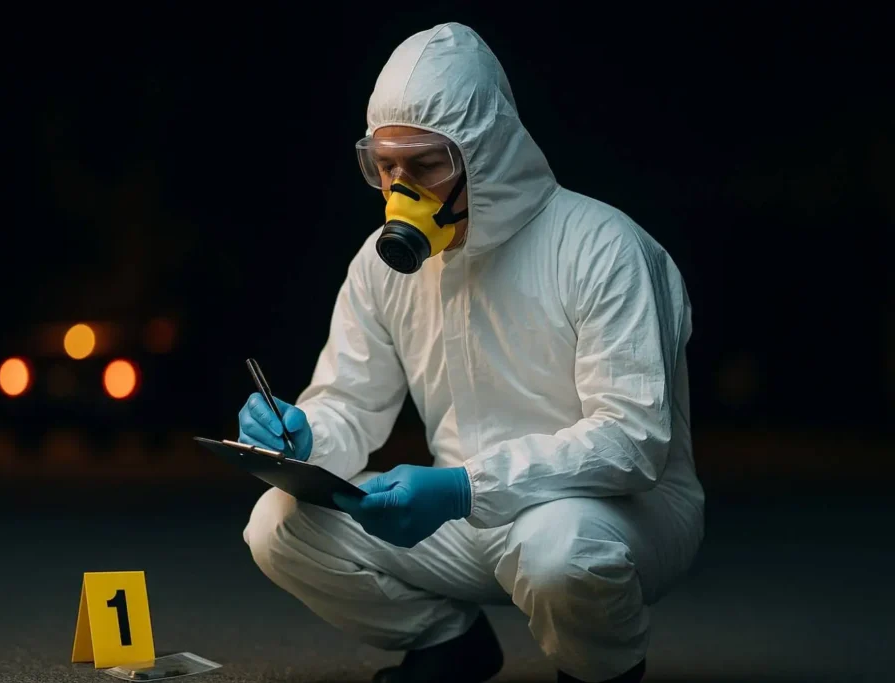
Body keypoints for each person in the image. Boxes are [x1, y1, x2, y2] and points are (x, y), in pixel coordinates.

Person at [238, 22, 704, 683]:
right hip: (462, 515)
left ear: (483, 154)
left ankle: (600, 665)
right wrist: (303, 434)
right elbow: (350, 404)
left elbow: (631, 441)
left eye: (425, 165)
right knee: (278, 524)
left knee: (559, 548)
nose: (403, 192)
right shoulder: (380, 268)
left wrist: (464, 486)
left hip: (618, 513)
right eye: (387, 166)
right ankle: (448, 643)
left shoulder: (604, 248)